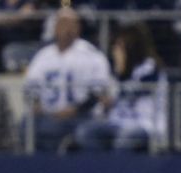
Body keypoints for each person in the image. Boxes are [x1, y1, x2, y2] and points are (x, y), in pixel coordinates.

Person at [23, 7, 113, 153]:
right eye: (62, 23)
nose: (67, 28)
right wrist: (37, 105)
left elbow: (99, 93)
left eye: (71, 24)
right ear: (55, 27)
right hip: (48, 115)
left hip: (81, 116)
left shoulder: (92, 55)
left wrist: (74, 110)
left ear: (78, 28)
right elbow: (31, 88)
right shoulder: (43, 56)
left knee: (53, 129)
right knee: (26, 124)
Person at [75, 23, 167, 153]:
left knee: (125, 138)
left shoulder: (150, 68)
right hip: (117, 122)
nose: (115, 51)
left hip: (144, 124)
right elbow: (107, 99)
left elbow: (136, 91)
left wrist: (120, 75)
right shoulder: (117, 72)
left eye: (120, 46)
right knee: (85, 132)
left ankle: (117, 171)